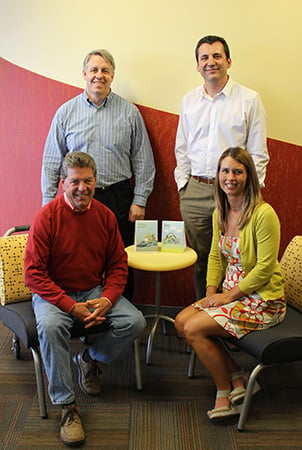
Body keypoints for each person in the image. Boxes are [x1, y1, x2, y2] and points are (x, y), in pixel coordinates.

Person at [24, 152, 146, 447]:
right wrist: (69, 306)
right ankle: (67, 406)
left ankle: (88, 358)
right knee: (52, 329)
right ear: (63, 183)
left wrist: (106, 299)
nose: (82, 187)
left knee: (135, 321)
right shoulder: (46, 217)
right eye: (75, 181)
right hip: (54, 293)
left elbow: (118, 265)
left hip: (93, 290)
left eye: (88, 180)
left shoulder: (104, 216)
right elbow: (33, 274)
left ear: (96, 180)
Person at [175, 147, 286, 421]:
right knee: (180, 321)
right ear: (218, 176)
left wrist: (226, 298)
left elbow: (265, 268)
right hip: (231, 296)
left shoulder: (263, 214)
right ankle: (238, 376)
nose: (230, 177)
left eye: (238, 171)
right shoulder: (220, 212)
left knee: (193, 327)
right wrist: (211, 295)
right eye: (225, 171)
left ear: (248, 176)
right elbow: (215, 256)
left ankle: (225, 390)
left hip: (262, 301)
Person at [41, 48, 155, 300]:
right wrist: (48, 203)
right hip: (77, 199)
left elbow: (143, 159)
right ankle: (83, 318)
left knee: (120, 259)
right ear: (84, 74)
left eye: (105, 70)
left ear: (113, 76)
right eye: (94, 70)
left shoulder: (129, 112)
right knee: (79, 259)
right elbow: (51, 161)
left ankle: (121, 318)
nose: (99, 75)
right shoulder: (66, 113)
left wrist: (140, 200)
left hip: (119, 197)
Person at [174, 35, 269, 299]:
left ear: (228, 61)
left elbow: (258, 153)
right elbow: (181, 147)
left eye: (217, 56)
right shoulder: (189, 101)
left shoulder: (249, 100)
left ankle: (230, 320)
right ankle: (203, 314)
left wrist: (251, 195)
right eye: (204, 57)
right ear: (197, 65)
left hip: (234, 193)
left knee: (235, 256)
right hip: (194, 191)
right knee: (204, 258)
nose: (210, 62)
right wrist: (184, 186)